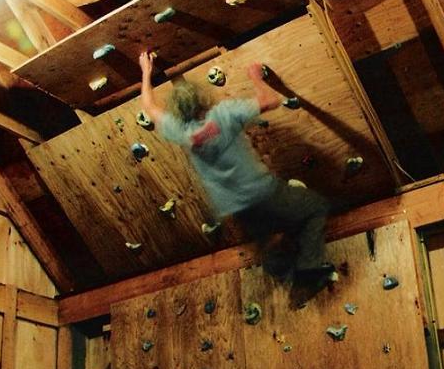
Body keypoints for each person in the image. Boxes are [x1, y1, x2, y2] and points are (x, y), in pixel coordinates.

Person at [139, 50, 333, 282]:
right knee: (316, 208)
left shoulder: (178, 130)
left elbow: (149, 106)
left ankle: (283, 273)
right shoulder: (224, 114)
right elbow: (271, 101)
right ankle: (309, 271)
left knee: (268, 242)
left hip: (234, 205)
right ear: (203, 98)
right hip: (262, 191)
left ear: (177, 110)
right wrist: (255, 77)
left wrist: (146, 72)